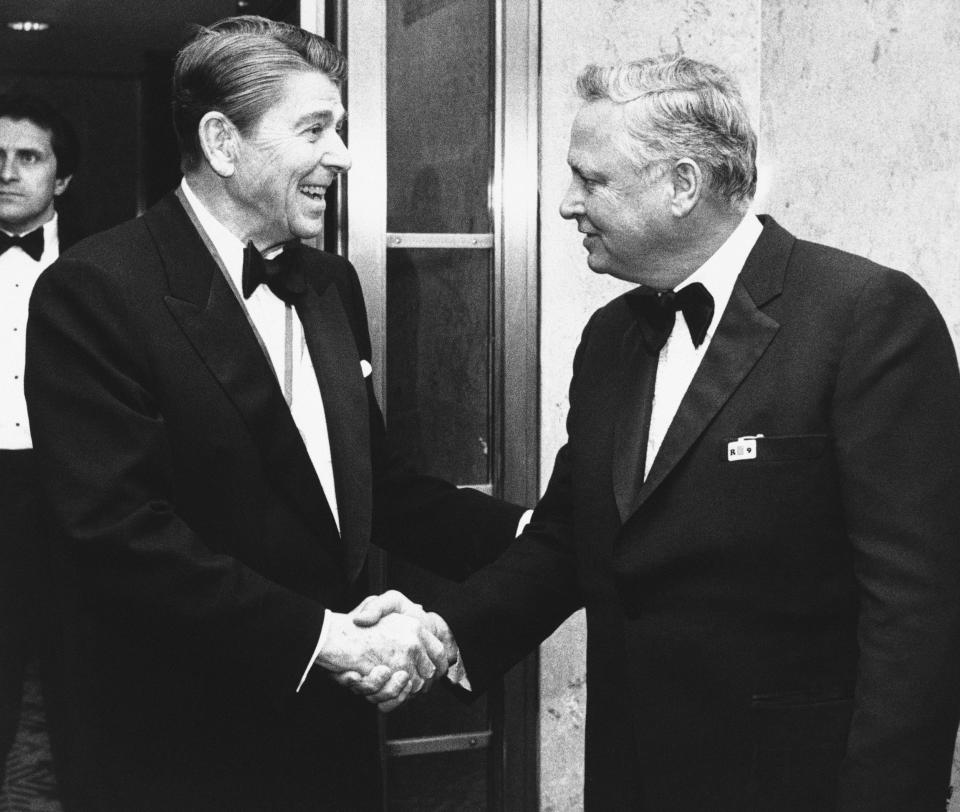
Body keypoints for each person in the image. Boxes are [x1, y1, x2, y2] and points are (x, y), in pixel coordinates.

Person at [356, 55, 960, 810]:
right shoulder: (610, 337)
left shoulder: (866, 318)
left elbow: (918, 616)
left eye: (592, 179)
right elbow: (565, 540)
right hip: (631, 779)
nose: (568, 204)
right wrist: (448, 632)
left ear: (682, 185)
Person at [23, 16, 523, 812]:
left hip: (330, 738)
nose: (344, 155)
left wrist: (532, 537)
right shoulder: (96, 292)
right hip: (178, 740)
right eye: (316, 129)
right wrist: (327, 640)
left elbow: (373, 488)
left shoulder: (330, 286)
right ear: (223, 143)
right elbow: (118, 533)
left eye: (342, 129)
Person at [0, 94, 82, 801]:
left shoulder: (105, 272)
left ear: (61, 179)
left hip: (75, 491)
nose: (7, 172)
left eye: (28, 157)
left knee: (81, 675)